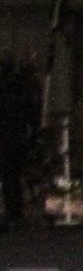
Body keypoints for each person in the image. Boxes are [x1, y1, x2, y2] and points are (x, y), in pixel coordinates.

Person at [0, 52, 35, 229]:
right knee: (14, 176)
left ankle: (12, 214)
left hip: (6, 137)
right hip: (19, 136)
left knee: (8, 177)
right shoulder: (21, 88)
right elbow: (30, 113)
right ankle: (16, 213)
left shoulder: (5, 89)